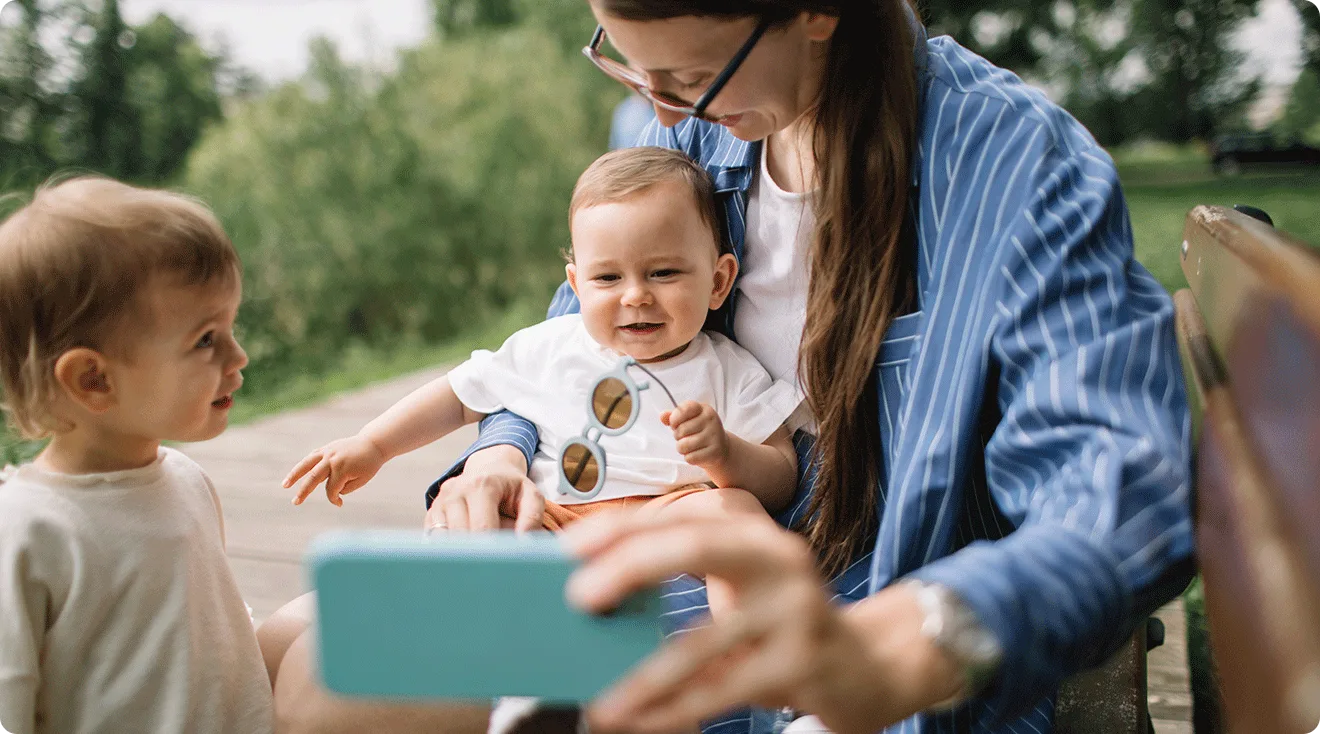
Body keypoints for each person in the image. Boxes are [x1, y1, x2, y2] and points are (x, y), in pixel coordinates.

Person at [271, 1, 1196, 732]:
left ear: (817, 12)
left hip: (843, 609)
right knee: (291, 641)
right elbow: (575, 348)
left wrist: (914, 642)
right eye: (627, 60)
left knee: (331, 685)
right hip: (635, 526)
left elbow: (1123, 487)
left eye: (692, 73)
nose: (659, 107)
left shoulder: (1012, 165)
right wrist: (498, 453)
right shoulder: (691, 137)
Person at [281, 146, 800, 605]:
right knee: (476, 524)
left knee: (735, 514)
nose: (635, 295)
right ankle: (457, 636)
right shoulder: (549, 346)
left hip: (665, 516)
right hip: (552, 517)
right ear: (577, 283)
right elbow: (458, 396)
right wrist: (373, 445)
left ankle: (754, 658)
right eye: (607, 277)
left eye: (663, 273)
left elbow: (781, 474)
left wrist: (726, 455)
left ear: (718, 281)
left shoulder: (726, 368)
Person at [0, 177, 273, 733]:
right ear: (93, 379)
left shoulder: (189, 482)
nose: (237, 355)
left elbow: (209, 641)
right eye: (205, 339)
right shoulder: (30, 531)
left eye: (230, 327)